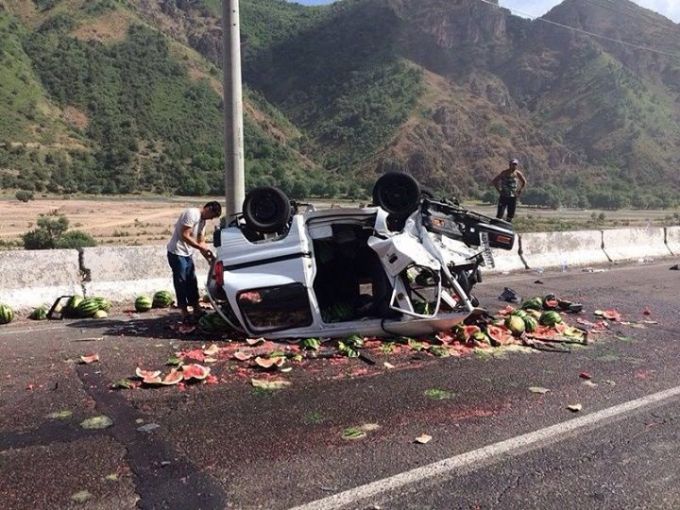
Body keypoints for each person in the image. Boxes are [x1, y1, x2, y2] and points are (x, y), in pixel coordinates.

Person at [167, 201, 222, 322]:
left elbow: (201, 241)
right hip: (177, 252)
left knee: (192, 280)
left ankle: (196, 309)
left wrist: (209, 258)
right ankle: (184, 311)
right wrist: (199, 247)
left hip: (187, 253)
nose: (211, 218)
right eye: (212, 215)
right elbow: (184, 235)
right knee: (181, 281)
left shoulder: (202, 222)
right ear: (207, 208)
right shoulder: (192, 214)